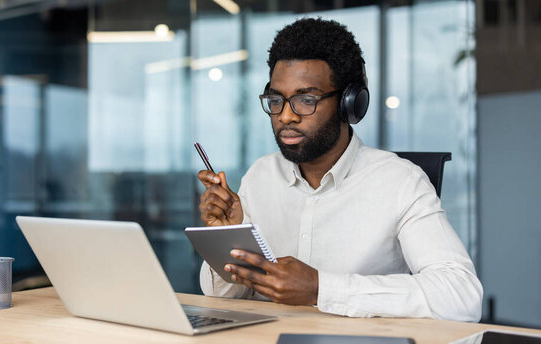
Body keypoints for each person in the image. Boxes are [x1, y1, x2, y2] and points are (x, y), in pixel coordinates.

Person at [196, 18, 483, 322]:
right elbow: (226, 298)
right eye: (277, 100)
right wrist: (227, 238)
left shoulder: (401, 182)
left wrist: (320, 288)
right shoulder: (260, 176)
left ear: (350, 103)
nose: (286, 116)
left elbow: (461, 297)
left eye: (306, 99)